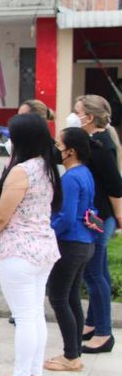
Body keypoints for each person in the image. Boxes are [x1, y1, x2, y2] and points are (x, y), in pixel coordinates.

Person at [0, 114, 61, 376]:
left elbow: (3, 213)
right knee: (35, 313)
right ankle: (34, 372)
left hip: (20, 250)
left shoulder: (22, 171)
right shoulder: (47, 167)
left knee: (25, 317)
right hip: (43, 247)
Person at [70, 95, 122, 354]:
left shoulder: (100, 146)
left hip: (98, 218)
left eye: (77, 111)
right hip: (97, 216)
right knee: (97, 271)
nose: (73, 115)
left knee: (94, 274)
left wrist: (118, 216)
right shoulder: (96, 141)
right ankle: (92, 323)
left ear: (89, 117)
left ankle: (104, 333)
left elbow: (115, 186)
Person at [45, 128, 96, 372]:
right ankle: (74, 352)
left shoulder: (70, 178)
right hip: (84, 243)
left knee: (58, 297)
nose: (56, 149)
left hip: (70, 244)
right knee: (72, 297)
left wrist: (46, 232)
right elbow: (90, 210)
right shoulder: (85, 173)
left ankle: (71, 355)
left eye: (59, 145)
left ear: (71, 151)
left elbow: (65, 218)